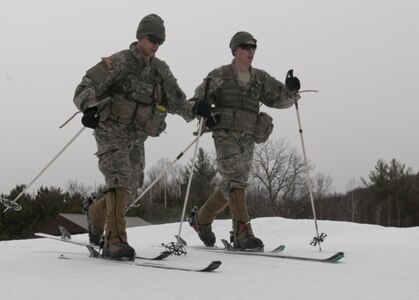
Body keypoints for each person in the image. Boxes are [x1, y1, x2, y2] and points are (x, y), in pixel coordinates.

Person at [73, 14, 211, 260]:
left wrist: (195, 109)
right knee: (121, 178)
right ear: (140, 37)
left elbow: (178, 102)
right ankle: (114, 241)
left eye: (161, 41)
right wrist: (89, 107)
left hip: (136, 138)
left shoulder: (161, 71)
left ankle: (95, 213)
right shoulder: (120, 62)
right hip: (110, 131)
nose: (156, 45)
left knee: (131, 186)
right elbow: (86, 85)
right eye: (152, 39)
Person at [189, 31, 301, 250]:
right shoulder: (219, 75)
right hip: (224, 134)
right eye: (246, 47)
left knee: (229, 185)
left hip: (248, 136)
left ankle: (201, 220)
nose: (251, 51)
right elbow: (197, 100)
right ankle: (242, 231)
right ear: (235, 50)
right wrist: (200, 109)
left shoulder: (260, 78)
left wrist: (291, 91)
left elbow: (279, 100)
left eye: (254, 47)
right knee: (237, 178)